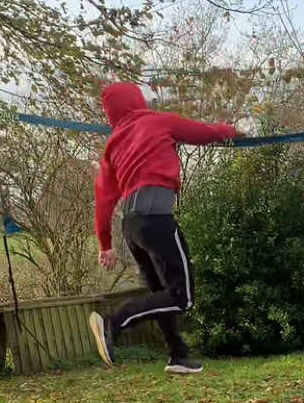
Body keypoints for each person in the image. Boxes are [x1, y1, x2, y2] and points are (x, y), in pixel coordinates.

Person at [89, 81, 239, 374]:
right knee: (183, 296)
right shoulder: (158, 122)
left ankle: (178, 354)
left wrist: (105, 244)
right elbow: (203, 133)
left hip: (131, 227)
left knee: (159, 290)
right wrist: (231, 132)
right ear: (138, 101)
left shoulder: (114, 144)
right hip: (156, 218)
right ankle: (114, 323)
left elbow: (103, 198)